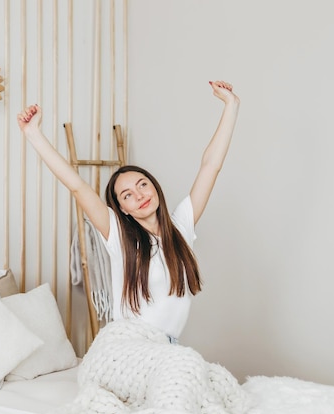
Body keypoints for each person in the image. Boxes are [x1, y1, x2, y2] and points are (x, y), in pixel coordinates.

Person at [17, 80, 239, 343]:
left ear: (154, 186)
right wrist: (33, 133)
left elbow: (210, 166)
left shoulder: (181, 226)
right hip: (128, 347)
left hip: (168, 348)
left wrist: (231, 105)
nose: (140, 195)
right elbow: (76, 185)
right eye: (127, 195)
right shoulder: (118, 235)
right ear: (122, 209)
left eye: (142, 184)